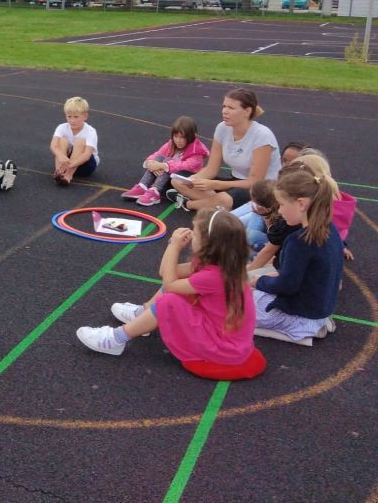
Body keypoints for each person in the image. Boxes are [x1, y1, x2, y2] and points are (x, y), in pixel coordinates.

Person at [76, 208, 255, 367]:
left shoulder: (214, 275)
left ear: (209, 245)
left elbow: (169, 284)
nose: (191, 235)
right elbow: (167, 273)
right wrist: (173, 247)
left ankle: (116, 339)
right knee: (176, 285)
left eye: (195, 233)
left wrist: (174, 246)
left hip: (224, 348)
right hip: (222, 335)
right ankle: (144, 315)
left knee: (170, 299)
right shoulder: (220, 264)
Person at [251, 166, 343, 343]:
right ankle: (314, 325)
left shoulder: (299, 241)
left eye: (282, 204)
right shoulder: (330, 229)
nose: (279, 211)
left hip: (299, 314)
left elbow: (287, 286)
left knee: (232, 303)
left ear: (301, 203)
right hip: (320, 309)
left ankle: (301, 331)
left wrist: (259, 282)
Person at [167, 88, 280, 211]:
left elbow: (255, 182)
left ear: (247, 111)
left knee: (225, 199)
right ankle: (216, 204)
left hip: (260, 189)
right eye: (224, 106)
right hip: (234, 183)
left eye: (231, 108)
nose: (224, 111)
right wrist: (193, 179)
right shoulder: (222, 128)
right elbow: (211, 169)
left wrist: (217, 185)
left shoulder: (262, 136)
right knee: (178, 179)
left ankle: (188, 204)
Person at [121, 116, 209, 206]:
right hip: (168, 177)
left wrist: (163, 166)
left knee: (168, 161)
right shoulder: (172, 144)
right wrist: (150, 163)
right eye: (176, 136)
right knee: (159, 158)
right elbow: (158, 154)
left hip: (184, 181)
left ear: (191, 136)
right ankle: (143, 186)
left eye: (182, 137)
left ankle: (155, 191)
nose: (178, 140)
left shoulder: (197, 151)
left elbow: (186, 166)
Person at [50, 96, 99, 186]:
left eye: (76, 117)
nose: (72, 120)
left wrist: (69, 165)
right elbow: (53, 146)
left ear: (85, 116)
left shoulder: (91, 131)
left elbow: (86, 156)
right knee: (62, 141)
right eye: (69, 117)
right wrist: (60, 155)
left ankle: (68, 175)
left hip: (85, 165)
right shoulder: (62, 127)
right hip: (66, 163)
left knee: (80, 142)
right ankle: (59, 172)